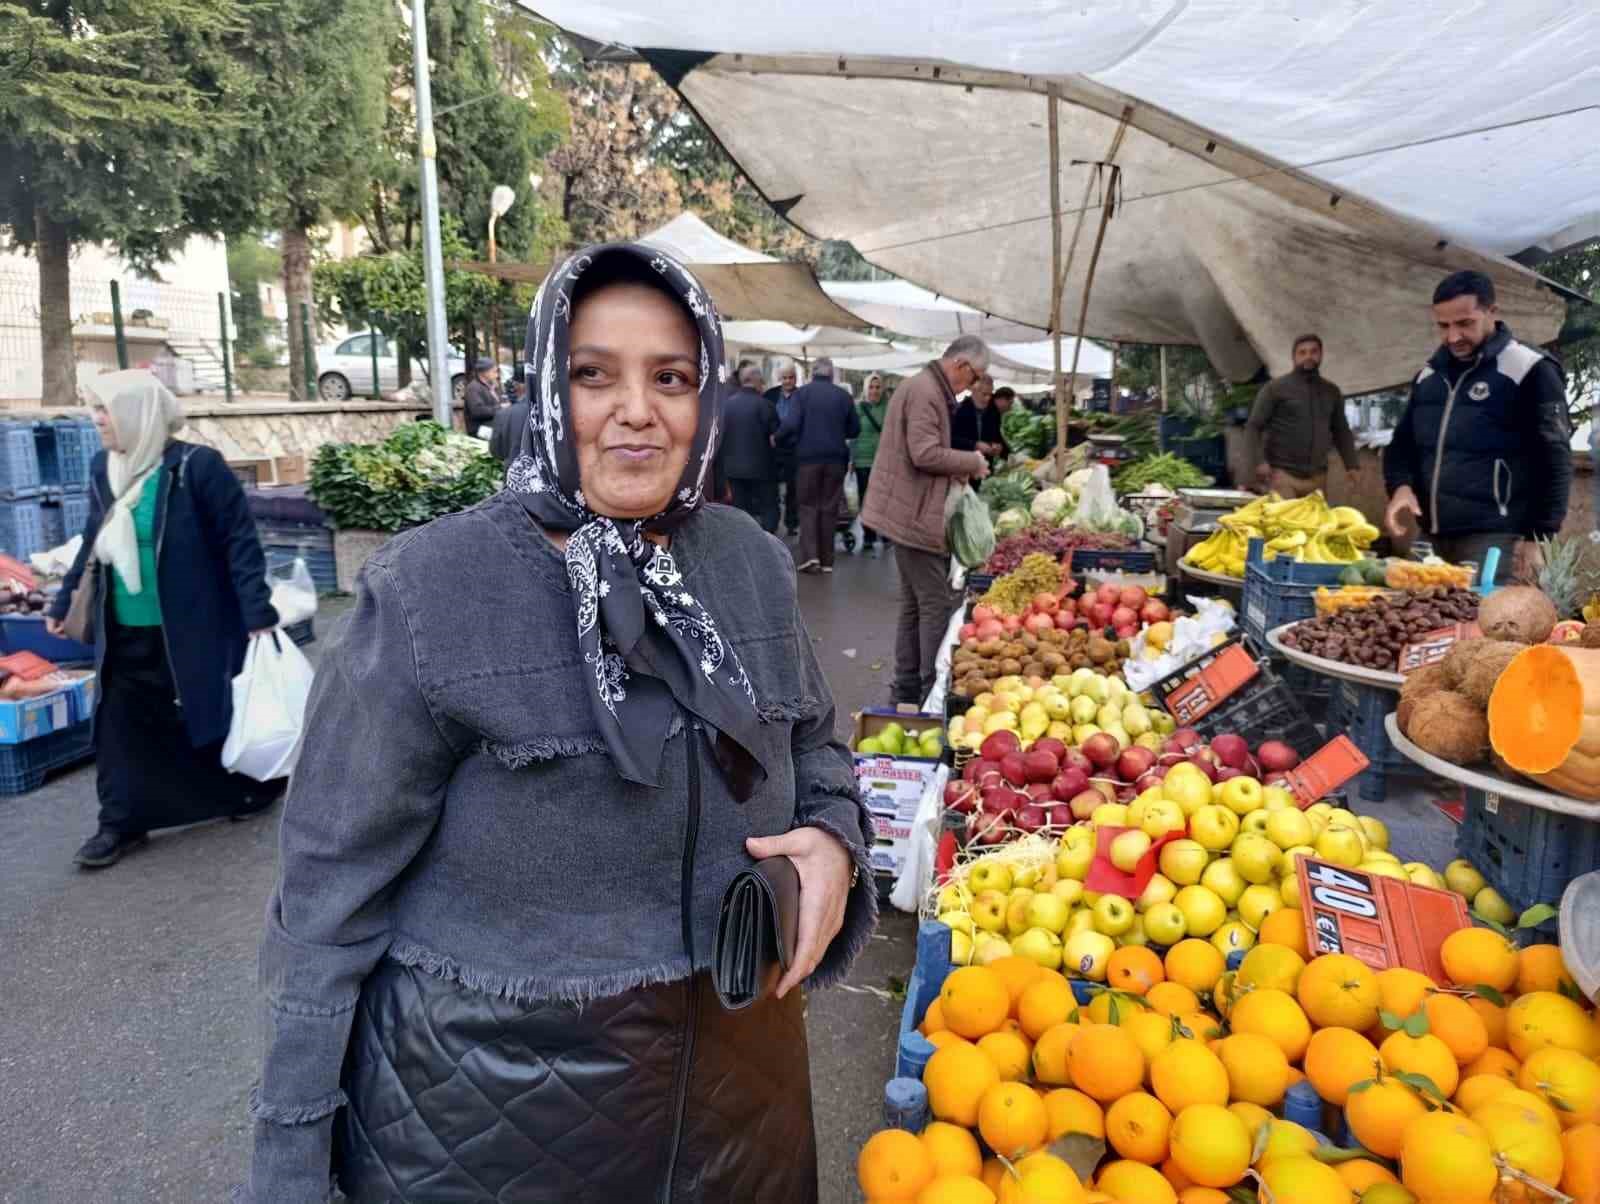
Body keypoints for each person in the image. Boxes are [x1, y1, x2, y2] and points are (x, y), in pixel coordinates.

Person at [241, 244, 876, 1204]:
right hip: (495, 1127)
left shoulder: (746, 562)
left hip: (746, 1110)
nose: (636, 410)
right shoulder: (431, 589)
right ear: (543, 385)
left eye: (671, 377)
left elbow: (817, 748)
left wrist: (833, 840)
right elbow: (325, 906)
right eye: (592, 375)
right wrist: (288, 1165)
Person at [43, 371, 280, 869]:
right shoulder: (102, 469)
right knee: (118, 725)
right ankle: (120, 823)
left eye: (105, 409)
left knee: (197, 717)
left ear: (138, 413)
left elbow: (239, 542)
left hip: (191, 626)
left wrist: (256, 610)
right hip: (122, 626)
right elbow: (92, 543)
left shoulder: (197, 468)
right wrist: (63, 602)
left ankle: (236, 792)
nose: (97, 419)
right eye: (95, 409)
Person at [1384, 270, 1571, 583]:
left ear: (1491, 312)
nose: (1452, 337)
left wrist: (1539, 535)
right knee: (1410, 623)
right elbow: (1401, 446)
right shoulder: (1429, 376)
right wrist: (1400, 487)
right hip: (1430, 535)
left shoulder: (1529, 369)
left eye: (1464, 323)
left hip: (1495, 540)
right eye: (1443, 326)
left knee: (1480, 626)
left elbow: (1555, 459)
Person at [862, 336, 992, 704]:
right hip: (913, 515)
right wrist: (971, 462)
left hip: (910, 510)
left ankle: (906, 686)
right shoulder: (925, 391)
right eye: (975, 376)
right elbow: (924, 453)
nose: (972, 385)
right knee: (934, 601)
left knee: (915, 602)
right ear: (962, 366)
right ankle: (928, 688)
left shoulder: (925, 386)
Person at [1244, 334, 1359, 497]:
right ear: (1294, 357)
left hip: (1318, 477)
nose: (1308, 357)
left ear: (1321, 355)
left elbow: (1341, 430)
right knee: (1285, 522)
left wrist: (1351, 465)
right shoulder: (1275, 388)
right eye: (1302, 352)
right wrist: (1259, 461)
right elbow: (1253, 426)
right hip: (1282, 475)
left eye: (1314, 352)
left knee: (1314, 523)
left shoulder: (1331, 391)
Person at [777, 356, 860, 574]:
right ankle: (826, 561)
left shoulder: (802, 395)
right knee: (829, 508)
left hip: (808, 460)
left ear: (812, 373)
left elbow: (791, 425)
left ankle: (810, 557)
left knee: (807, 506)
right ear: (831, 373)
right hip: (836, 461)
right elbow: (855, 430)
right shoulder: (843, 396)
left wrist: (778, 438)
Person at [719, 361, 781, 531]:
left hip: (733, 469)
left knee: (740, 508)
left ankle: (742, 540)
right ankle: (769, 541)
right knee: (768, 506)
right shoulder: (766, 405)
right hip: (762, 468)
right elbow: (776, 437)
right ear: (756, 381)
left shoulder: (727, 406)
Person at [853, 373, 889, 553]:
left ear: (882, 389)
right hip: (862, 460)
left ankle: (885, 532)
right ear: (866, 390)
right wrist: (851, 459)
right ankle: (868, 535)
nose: (874, 391)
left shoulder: (888, 408)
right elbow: (852, 436)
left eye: (877, 387)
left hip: (883, 462)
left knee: (883, 499)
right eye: (871, 387)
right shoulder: (859, 408)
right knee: (865, 499)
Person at [765, 361, 801, 535]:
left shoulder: (802, 395)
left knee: (793, 488)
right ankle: (773, 521)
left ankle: (792, 522)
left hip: (794, 449)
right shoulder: (770, 395)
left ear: (796, 378)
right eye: (785, 378)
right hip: (773, 448)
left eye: (791, 377)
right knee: (772, 487)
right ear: (780, 379)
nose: (788, 381)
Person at [951, 373, 1005, 458]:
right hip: (962, 464)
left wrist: (997, 446)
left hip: (985, 466)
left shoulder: (993, 413)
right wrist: (974, 445)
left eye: (990, 394)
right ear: (973, 390)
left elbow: (997, 436)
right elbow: (951, 440)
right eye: (984, 394)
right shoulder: (958, 411)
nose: (988, 398)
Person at [488, 368, 531, 467]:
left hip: (514, 476)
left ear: (516, 386)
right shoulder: (552, 412)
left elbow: (495, 451)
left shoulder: (504, 415)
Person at [463, 356, 501, 439]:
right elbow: (478, 411)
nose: (497, 375)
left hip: (490, 426)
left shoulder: (489, 387)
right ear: (484, 373)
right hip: (479, 430)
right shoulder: (473, 388)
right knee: (503, 436)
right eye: (494, 372)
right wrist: (500, 408)